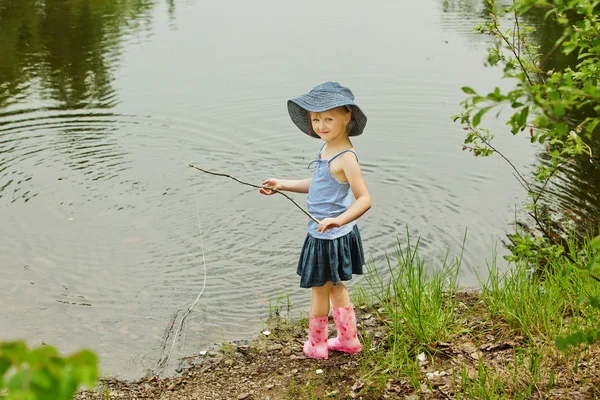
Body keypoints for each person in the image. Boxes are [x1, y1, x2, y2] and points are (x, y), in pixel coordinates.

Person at [259, 82, 371, 359]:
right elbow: (321, 184)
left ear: (347, 116)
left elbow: (364, 199)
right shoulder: (328, 147)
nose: (321, 125)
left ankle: (317, 345)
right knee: (335, 287)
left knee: (319, 291)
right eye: (315, 119)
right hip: (330, 233)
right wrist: (282, 184)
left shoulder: (347, 157)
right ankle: (348, 340)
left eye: (328, 118)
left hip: (328, 235)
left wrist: (337, 219)